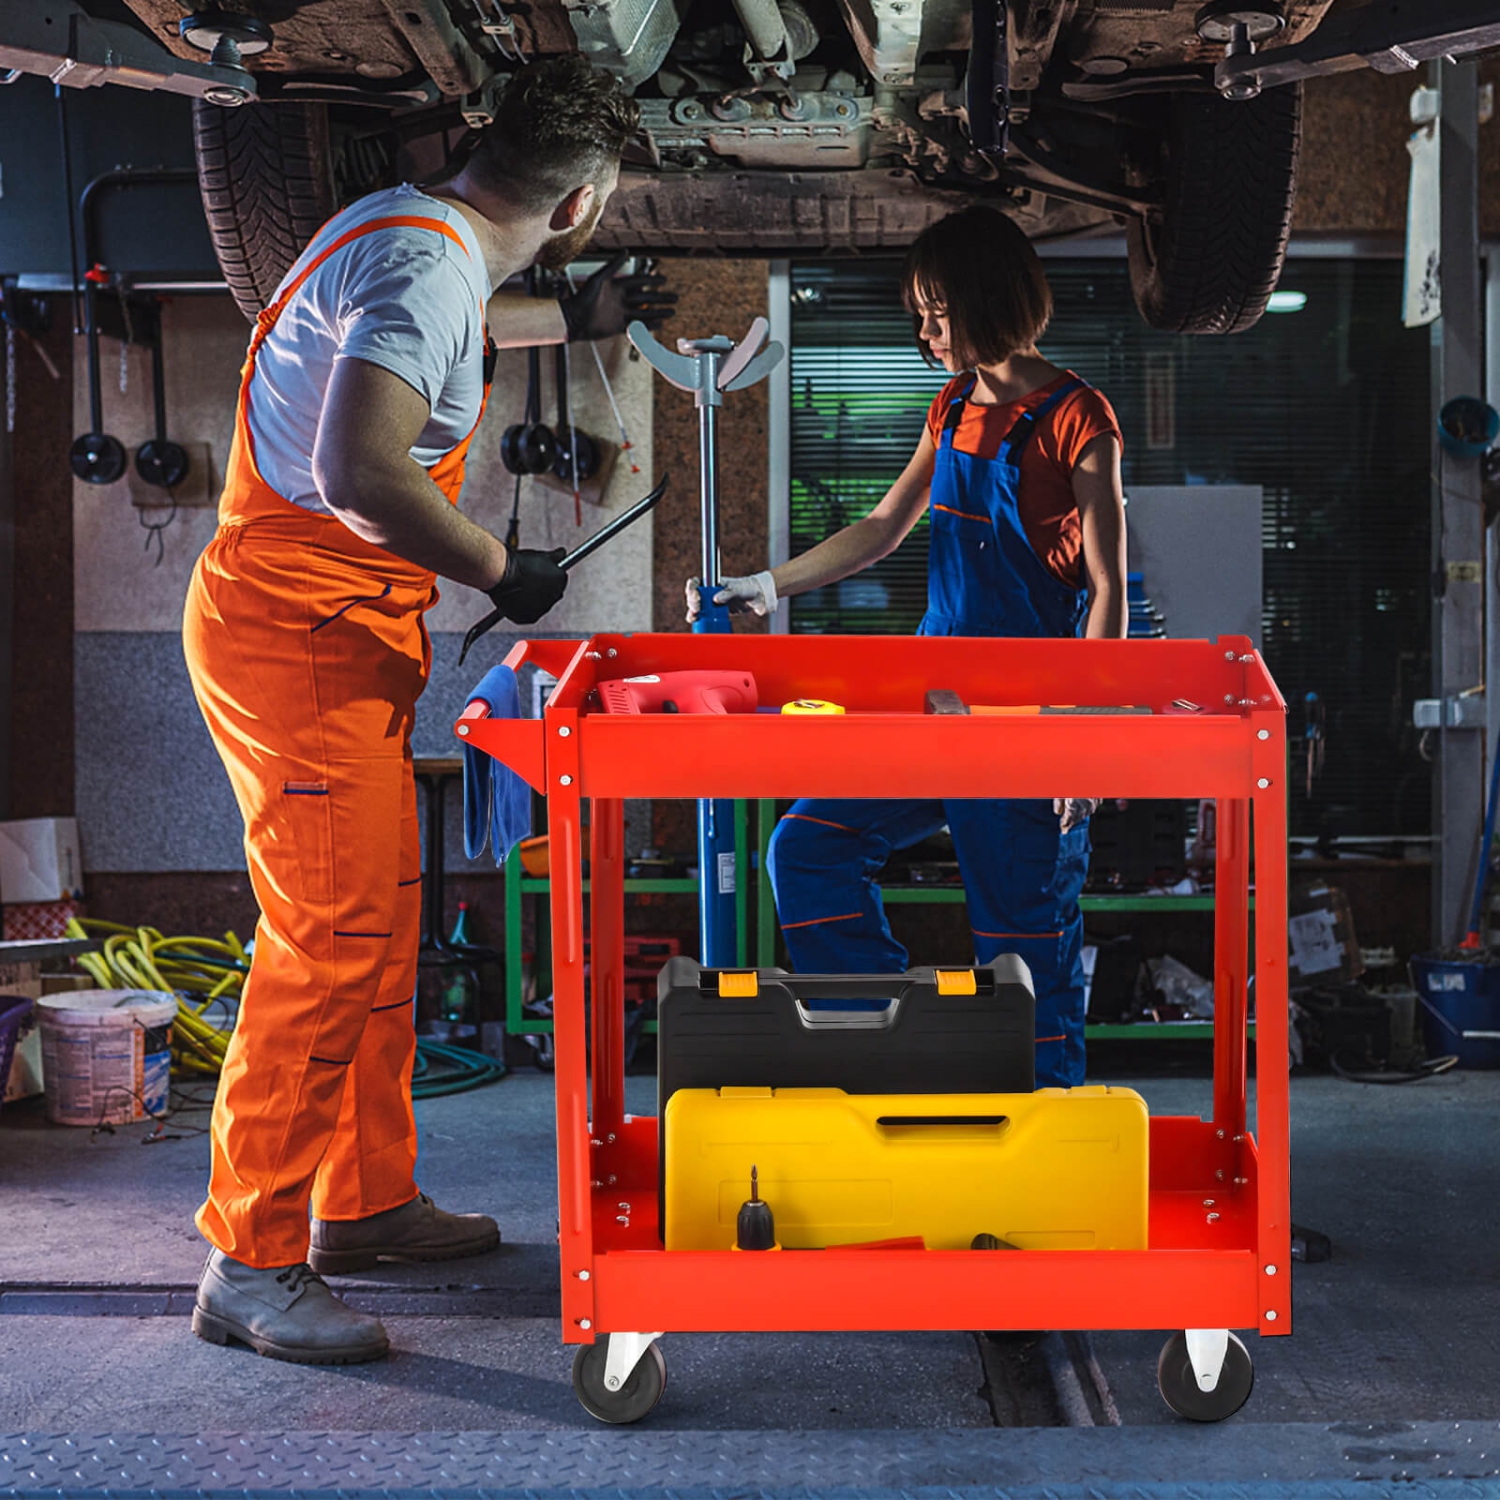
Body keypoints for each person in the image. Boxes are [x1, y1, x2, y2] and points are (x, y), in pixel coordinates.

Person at [183, 57, 665, 1366]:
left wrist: (574, 327)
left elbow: (415, 345)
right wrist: (507, 570)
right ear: (580, 205)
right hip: (302, 639)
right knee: (329, 944)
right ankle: (252, 1255)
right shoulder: (432, 271)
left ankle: (365, 1204)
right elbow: (356, 466)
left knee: (380, 926)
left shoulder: (409, 227)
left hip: (326, 634)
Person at [687, 205, 1126, 1090]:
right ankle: (886, 1044)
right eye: (919, 313)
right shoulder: (953, 403)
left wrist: (1083, 738)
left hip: (1024, 728)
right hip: (932, 706)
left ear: (990, 301)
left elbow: (1110, 590)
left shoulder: (1082, 418)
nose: (924, 330)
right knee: (805, 848)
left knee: (1025, 937)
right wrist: (765, 586)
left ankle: (1046, 1133)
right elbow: (886, 527)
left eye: (937, 311)